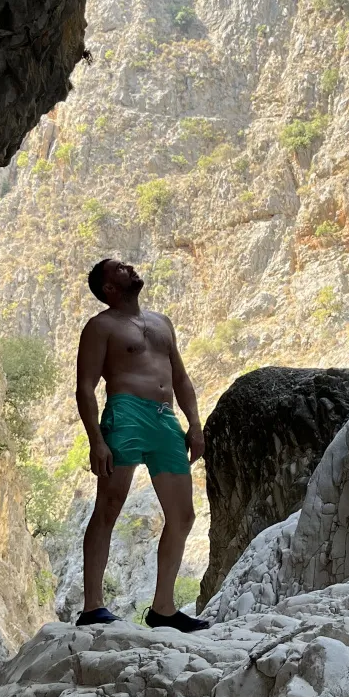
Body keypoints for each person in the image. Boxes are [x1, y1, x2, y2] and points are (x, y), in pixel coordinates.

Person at [73, 258, 209, 631]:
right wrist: (95, 441)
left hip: (165, 419)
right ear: (109, 289)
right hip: (126, 413)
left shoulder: (161, 322)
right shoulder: (100, 326)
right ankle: (92, 607)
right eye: (118, 269)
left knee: (183, 515)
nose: (129, 267)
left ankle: (163, 608)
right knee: (110, 504)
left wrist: (195, 424)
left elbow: (180, 377)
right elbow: (85, 388)